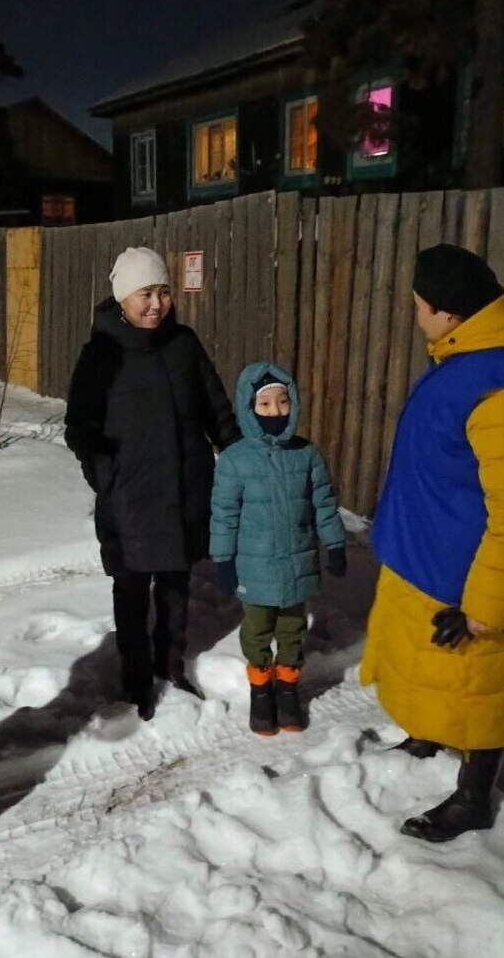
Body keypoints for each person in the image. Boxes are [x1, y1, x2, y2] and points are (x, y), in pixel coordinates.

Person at [361, 243, 504, 843]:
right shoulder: (460, 356)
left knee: (476, 691)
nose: (415, 314)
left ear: (449, 313)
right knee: (419, 668)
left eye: (420, 305)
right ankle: (427, 730)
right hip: (422, 556)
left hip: (461, 579)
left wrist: (483, 609)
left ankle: (474, 796)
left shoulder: (494, 385)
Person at [65, 247, 239, 720]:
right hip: (131, 497)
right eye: (145, 294)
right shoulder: (102, 355)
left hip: (184, 488)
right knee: (131, 588)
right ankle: (135, 678)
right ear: (122, 299)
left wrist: (240, 454)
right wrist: (107, 476)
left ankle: (171, 665)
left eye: (163, 292)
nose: (156, 304)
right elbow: (79, 426)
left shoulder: (183, 343)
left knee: (176, 583)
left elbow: (215, 407)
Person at [210, 363, 346, 734]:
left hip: (298, 563)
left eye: (283, 402)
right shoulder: (236, 460)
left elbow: (323, 504)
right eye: (266, 404)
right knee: (257, 630)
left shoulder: (306, 455)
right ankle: (261, 692)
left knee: (292, 629)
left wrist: (334, 543)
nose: (276, 411)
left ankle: (287, 689)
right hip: (255, 568)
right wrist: (222, 559)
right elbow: (224, 514)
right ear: (250, 408)